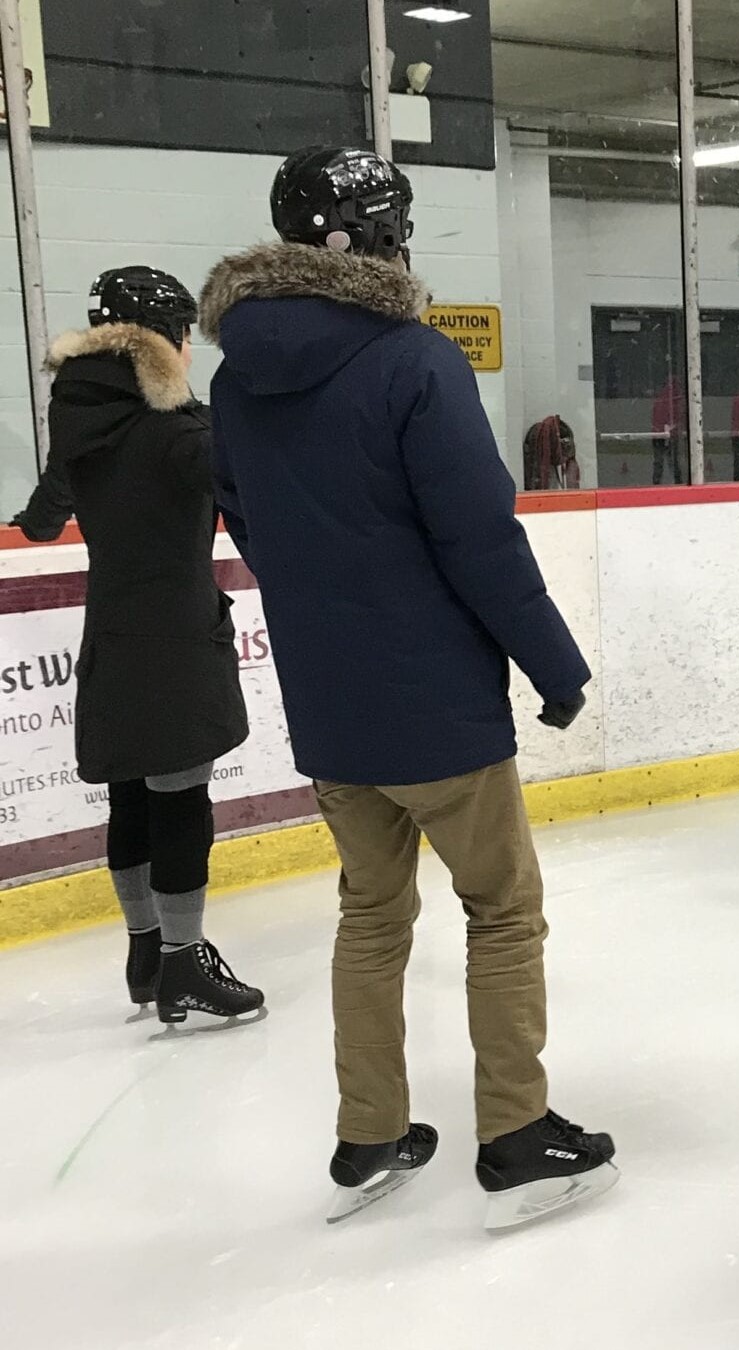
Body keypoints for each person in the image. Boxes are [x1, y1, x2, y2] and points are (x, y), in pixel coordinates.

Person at [199, 146, 617, 1230]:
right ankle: (516, 1134)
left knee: (371, 915)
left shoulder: (234, 381)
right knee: (503, 911)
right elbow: (479, 537)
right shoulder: (414, 360)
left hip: (331, 713)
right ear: (378, 238)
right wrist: (555, 665)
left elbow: (247, 519)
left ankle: (370, 1131)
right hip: (437, 711)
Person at [9, 268, 262, 1026]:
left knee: (129, 795)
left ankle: (146, 954)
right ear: (166, 343)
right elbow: (252, 490)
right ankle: (184, 964)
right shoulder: (181, 433)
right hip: (178, 641)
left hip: (112, 638)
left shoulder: (79, 428)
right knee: (180, 802)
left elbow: (41, 522)